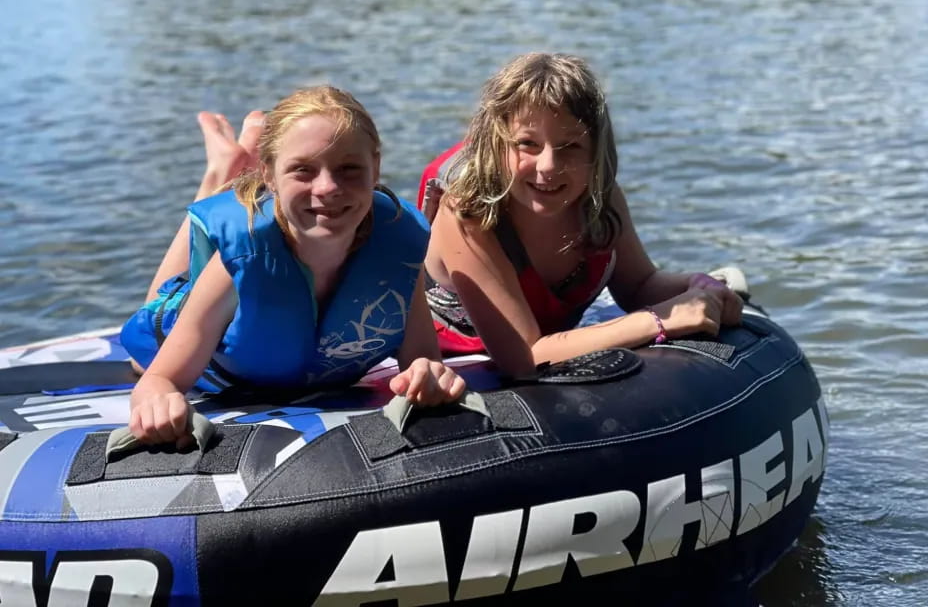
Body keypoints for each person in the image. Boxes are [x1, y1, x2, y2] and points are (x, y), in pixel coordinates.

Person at [123, 86, 465, 446]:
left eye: (349, 169)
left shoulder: (399, 245)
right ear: (269, 175)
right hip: (205, 341)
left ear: (375, 166)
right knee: (151, 331)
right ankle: (222, 172)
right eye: (303, 170)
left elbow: (423, 360)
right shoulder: (245, 255)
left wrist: (430, 375)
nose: (328, 187)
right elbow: (159, 380)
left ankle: (241, 163)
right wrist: (158, 401)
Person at [420, 52, 743, 376]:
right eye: (528, 144)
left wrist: (699, 288)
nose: (549, 165)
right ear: (496, 145)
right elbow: (525, 357)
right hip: (463, 360)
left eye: (570, 146)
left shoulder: (600, 196)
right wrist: (661, 320)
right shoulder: (467, 212)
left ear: (595, 151)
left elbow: (638, 286)